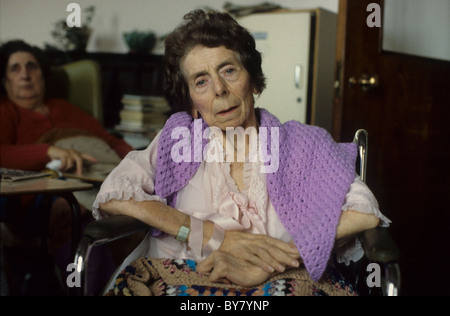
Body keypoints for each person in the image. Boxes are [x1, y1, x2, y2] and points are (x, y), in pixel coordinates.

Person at [93, 10, 391, 296]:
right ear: (193, 102)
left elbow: (364, 212)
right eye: (201, 81)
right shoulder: (177, 140)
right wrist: (213, 237)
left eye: (229, 70)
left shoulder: (302, 144)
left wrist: (269, 262)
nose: (219, 89)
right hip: (175, 277)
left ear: (254, 79)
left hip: (279, 282)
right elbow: (117, 194)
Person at [0, 40, 131, 294]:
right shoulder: (6, 112)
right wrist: (48, 151)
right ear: (4, 81)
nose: (25, 74)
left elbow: (110, 142)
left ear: (43, 74)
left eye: (32, 67)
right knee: (73, 217)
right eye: (15, 69)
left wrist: (144, 162)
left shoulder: (65, 108)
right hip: (36, 202)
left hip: (94, 187)